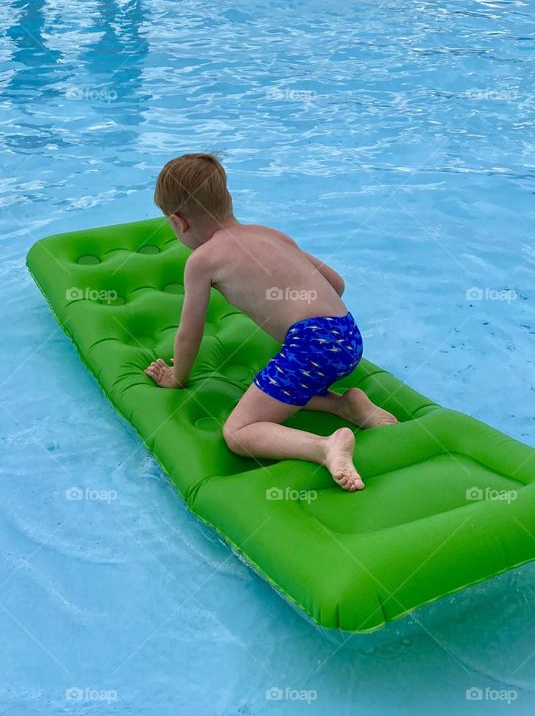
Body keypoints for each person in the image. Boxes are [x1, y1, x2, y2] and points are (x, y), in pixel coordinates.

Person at [145, 153, 396, 490]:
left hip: (311, 347)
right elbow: (336, 284)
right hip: (347, 336)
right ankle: (345, 405)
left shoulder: (201, 261)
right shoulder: (272, 234)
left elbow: (190, 334)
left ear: (179, 222)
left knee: (238, 432)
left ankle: (325, 447)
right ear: (228, 200)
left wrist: (177, 377)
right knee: (273, 385)